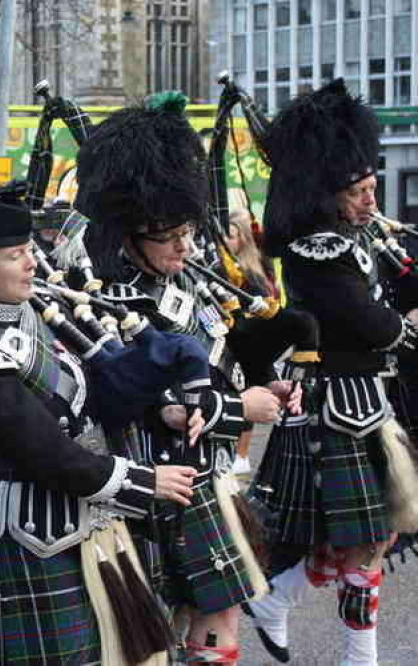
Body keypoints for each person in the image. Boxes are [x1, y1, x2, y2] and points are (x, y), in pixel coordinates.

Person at [77, 93, 299, 665]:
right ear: (128, 235)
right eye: (167, 234)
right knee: (154, 630)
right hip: (153, 473)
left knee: (218, 611)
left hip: (209, 471)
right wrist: (241, 409)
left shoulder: (187, 281)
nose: (184, 243)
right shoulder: (108, 300)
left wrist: (264, 385)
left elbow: (215, 355)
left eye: (187, 228)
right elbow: (160, 405)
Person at [0, 194, 198, 665]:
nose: (30, 263)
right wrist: (145, 481)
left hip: (91, 516)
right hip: (32, 534)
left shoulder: (41, 315)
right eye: (14, 255)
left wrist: (159, 378)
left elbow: (95, 403)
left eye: (28, 250)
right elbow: (41, 450)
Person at [246, 79, 418, 666]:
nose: (373, 201)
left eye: (373, 189)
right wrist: (406, 321)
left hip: (369, 397)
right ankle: (358, 656)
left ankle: (277, 599)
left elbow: (394, 293)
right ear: (330, 194)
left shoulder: (354, 237)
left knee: (365, 534)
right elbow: (369, 321)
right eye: (363, 192)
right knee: (366, 537)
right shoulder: (316, 250)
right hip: (338, 402)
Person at [224, 208, 280, 476]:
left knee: (246, 395)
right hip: (240, 339)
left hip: (249, 339)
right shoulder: (230, 268)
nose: (226, 241)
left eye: (231, 235)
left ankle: (242, 455)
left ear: (243, 237)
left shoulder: (250, 272)